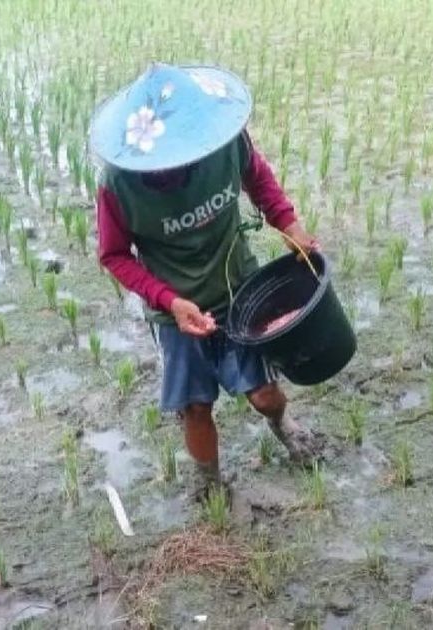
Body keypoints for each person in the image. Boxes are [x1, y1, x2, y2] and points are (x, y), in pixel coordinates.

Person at [89, 63, 326, 501]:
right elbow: (114, 255)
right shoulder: (119, 188)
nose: (175, 168)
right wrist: (169, 300)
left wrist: (289, 226)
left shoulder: (224, 146)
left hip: (238, 288)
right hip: (176, 308)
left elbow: (258, 179)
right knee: (195, 406)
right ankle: (210, 483)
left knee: (264, 395)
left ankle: (283, 425)